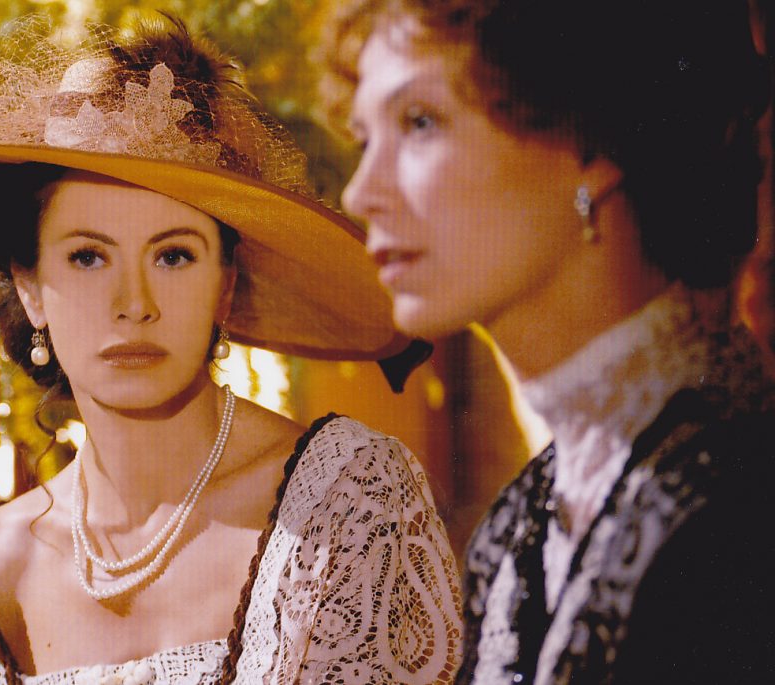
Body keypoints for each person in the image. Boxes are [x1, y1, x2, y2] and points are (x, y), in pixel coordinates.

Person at [0, 15, 462, 685]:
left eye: (173, 255)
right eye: (88, 256)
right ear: (30, 289)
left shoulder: (346, 501)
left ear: (224, 287)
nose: (134, 303)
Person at [324, 0, 775, 683]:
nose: (361, 193)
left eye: (420, 121)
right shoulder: (520, 526)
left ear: (591, 144)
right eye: (365, 140)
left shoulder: (739, 500)